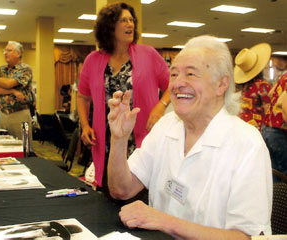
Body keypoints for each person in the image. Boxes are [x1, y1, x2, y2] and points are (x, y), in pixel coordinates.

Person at [107, 35, 272, 239]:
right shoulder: (166, 126)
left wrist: (164, 221)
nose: (177, 84)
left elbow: (245, 237)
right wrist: (119, 139)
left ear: (221, 84)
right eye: (174, 74)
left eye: (191, 74)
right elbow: (121, 190)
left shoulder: (247, 145)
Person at [77, 2, 170, 188]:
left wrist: (161, 106)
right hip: (106, 139)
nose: (130, 24)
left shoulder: (148, 54)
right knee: (108, 190)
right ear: (110, 26)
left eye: (131, 20)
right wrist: (85, 125)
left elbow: (171, 85)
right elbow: (82, 96)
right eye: (123, 20)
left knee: (139, 193)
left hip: (140, 138)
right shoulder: (93, 60)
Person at [0, 41, 34, 144]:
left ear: (18, 53)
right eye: (4, 50)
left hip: (20, 115)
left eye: (9, 50)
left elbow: (9, 83)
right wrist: (13, 91)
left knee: (24, 147)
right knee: (4, 147)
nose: (5, 53)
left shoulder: (25, 69)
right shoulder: (2, 69)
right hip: (3, 114)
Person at [234, 43, 272, 131]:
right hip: (255, 124)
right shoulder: (262, 85)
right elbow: (267, 107)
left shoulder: (241, 86)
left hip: (240, 121)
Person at [262, 71, 287, 182]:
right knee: (284, 174)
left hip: (267, 129)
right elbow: (283, 104)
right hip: (279, 133)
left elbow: (271, 93)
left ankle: (276, 199)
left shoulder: (284, 77)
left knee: (274, 174)